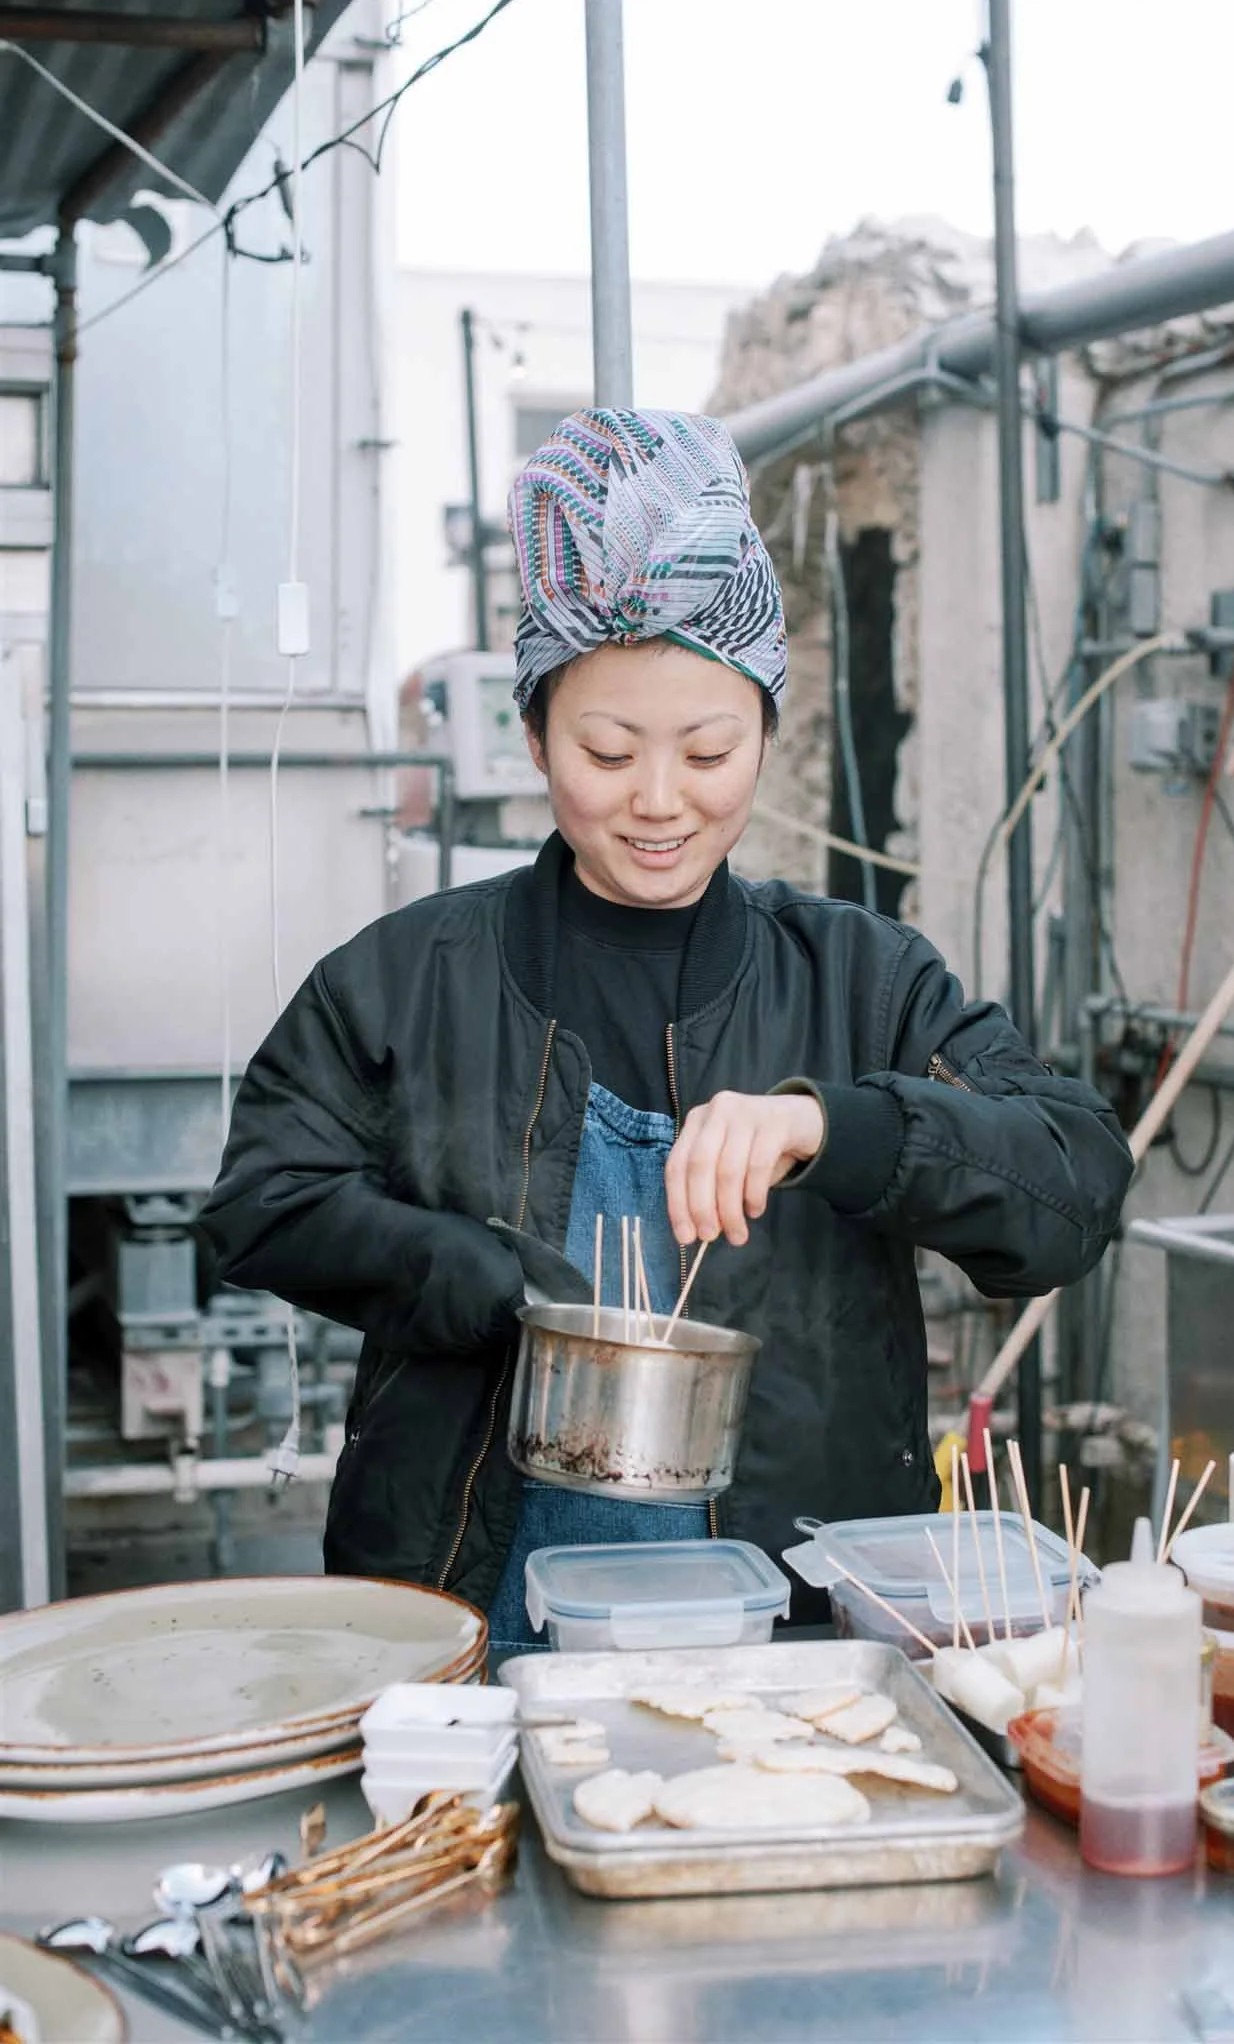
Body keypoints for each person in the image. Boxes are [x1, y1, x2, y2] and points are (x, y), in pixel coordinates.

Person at [200, 408, 1133, 1647]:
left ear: (763, 731)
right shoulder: (412, 973)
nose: (656, 800)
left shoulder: (861, 978)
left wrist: (834, 1126)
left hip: (793, 1620)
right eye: (605, 747)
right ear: (535, 735)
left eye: (706, 749)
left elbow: (1072, 1184)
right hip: (473, 1613)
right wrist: (455, 1270)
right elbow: (260, 1198)